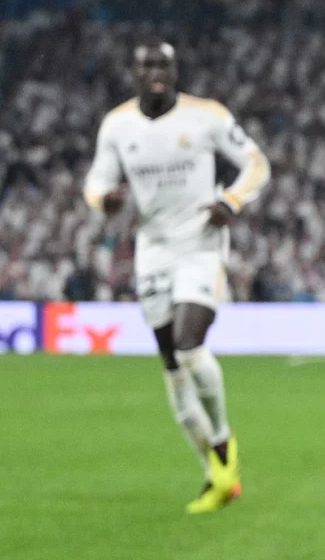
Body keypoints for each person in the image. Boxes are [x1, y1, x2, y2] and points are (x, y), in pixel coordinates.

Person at [83, 42, 270, 512]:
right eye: (147, 65)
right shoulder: (117, 125)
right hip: (153, 253)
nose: (157, 72)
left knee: (189, 345)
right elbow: (96, 181)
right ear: (135, 72)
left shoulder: (205, 116)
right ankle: (215, 477)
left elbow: (257, 163)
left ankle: (225, 446)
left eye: (164, 64)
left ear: (176, 69)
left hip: (201, 247)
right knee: (172, 367)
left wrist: (232, 201)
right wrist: (102, 201)